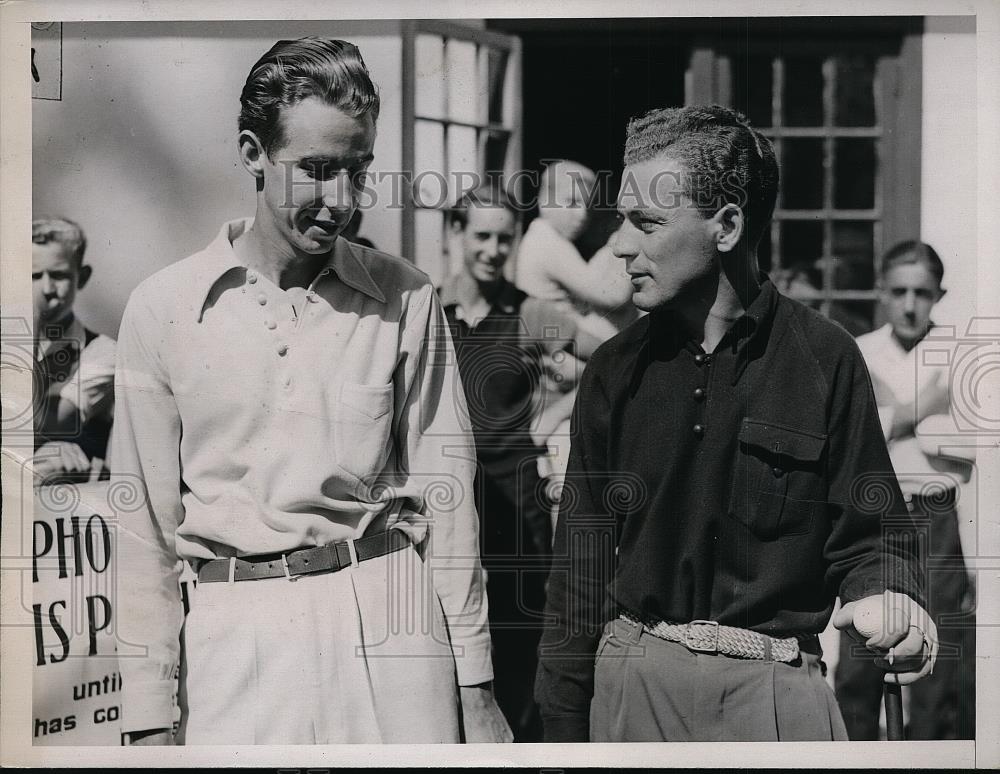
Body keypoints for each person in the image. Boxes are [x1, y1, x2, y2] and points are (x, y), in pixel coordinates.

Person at [113, 37, 509, 745]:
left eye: (358, 171)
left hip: (392, 627)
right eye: (318, 171)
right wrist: (147, 716)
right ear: (252, 152)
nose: (343, 202)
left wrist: (475, 688)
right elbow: (144, 528)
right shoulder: (163, 307)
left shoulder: (405, 296)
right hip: (234, 640)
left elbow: (447, 498)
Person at [535, 105, 938, 743]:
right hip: (631, 691)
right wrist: (558, 728)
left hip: (778, 700)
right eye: (621, 219)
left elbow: (873, 536)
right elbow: (578, 574)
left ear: (726, 226)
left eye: (647, 221)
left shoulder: (827, 359)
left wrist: (892, 597)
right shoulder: (612, 370)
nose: (619, 244)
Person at [439, 185, 600, 741]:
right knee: (445, 621)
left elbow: (611, 364)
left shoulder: (529, 311)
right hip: (447, 494)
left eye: (503, 238)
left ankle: (520, 745)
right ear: (455, 234)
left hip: (517, 494)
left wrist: (554, 417)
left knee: (518, 624)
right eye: (480, 235)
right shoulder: (430, 310)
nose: (492, 248)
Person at [835, 241, 976, 740]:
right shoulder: (859, 351)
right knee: (863, 644)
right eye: (899, 292)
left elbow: (972, 438)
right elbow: (852, 437)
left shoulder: (961, 353)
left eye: (922, 292)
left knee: (940, 655)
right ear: (881, 293)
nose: (910, 304)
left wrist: (895, 414)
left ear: (939, 293)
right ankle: (856, 753)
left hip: (938, 515)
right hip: (875, 516)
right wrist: (920, 409)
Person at [32, 216, 116, 482]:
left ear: (82, 277)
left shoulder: (102, 351)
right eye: (33, 275)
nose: (46, 289)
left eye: (58, 275)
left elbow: (56, 424)